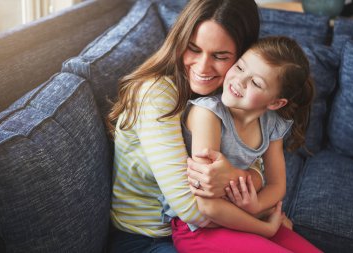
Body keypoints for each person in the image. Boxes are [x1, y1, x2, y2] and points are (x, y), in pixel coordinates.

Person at [106, 0, 263, 252]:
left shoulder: (231, 92)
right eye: (193, 49)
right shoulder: (156, 94)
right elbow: (191, 209)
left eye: (220, 56)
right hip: (149, 238)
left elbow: (256, 161)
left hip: (209, 230)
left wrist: (236, 177)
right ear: (179, 41)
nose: (202, 68)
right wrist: (259, 213)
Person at [172, 36, 322, 253]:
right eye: (240, 67)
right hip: (200, 228)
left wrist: (256, 206)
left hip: (243, 217)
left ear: (275, 103)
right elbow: (207, 205)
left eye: (256, 82)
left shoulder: (272, 124)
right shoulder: (208, 114)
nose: (239, 81)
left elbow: (277, 185)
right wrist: (264, 228)